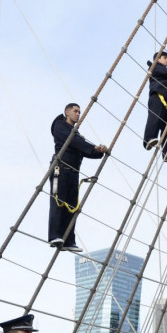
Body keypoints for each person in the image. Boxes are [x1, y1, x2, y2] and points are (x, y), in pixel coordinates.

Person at [49, 103, 108, 253]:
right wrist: (93, 147)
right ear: (66, 112)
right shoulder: (59, 126)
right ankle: (54, 235)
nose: (78, 114)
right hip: (60, 170)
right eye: (75, 111)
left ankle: (69, 240)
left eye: (79, 112)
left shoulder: (77, 134)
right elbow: (75, 142)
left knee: (72, 206)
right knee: (58, 202)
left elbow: (84, 149)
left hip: (73, 173)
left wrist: (99, 152)